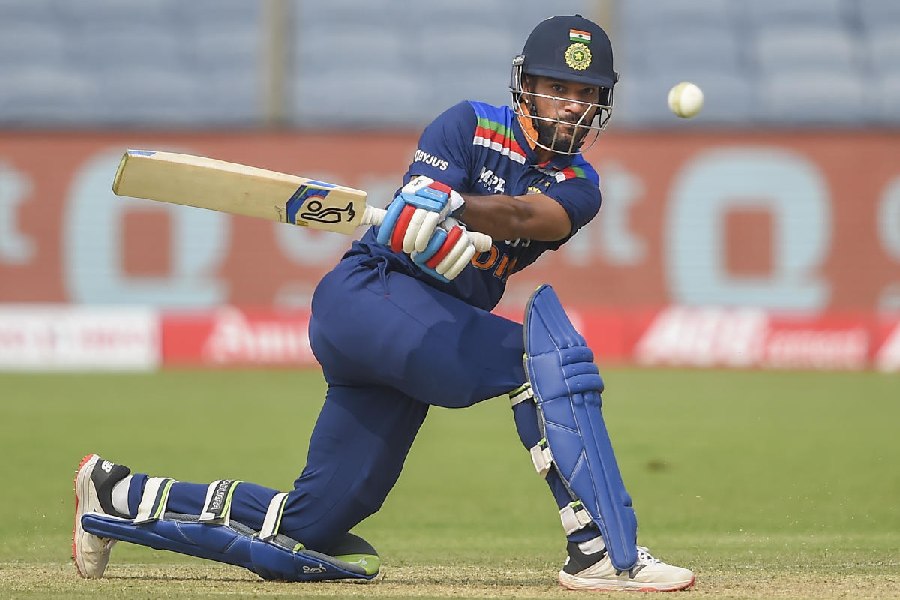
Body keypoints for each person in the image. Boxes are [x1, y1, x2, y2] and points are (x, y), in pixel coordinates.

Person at [73, 15, 695, 592]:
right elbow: (415, 205)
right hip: (369, 299)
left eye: (586, 94)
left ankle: (118, 495)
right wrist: (424, 219)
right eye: (557, 87)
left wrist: (456, 213)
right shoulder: (468, 124)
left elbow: (528, 216)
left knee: (311, 524)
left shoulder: (580, 186)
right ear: (524, 86)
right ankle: (601, 551)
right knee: (541, 359)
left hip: (423, 335)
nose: (572, 105)